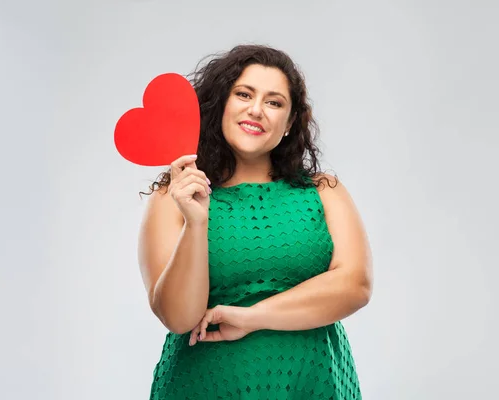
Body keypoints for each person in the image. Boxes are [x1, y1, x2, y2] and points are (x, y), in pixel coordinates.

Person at [138, 44, 373, 400]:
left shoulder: (324, 191)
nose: (256, 110)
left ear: (290, 122)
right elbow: (179, 317)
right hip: (204, 386)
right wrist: (196, 223)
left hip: (312, 385)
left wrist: (252, 317)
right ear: (220, 103)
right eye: (243, 94)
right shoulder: (174, 196)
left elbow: (355, 285)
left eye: (274, 102)